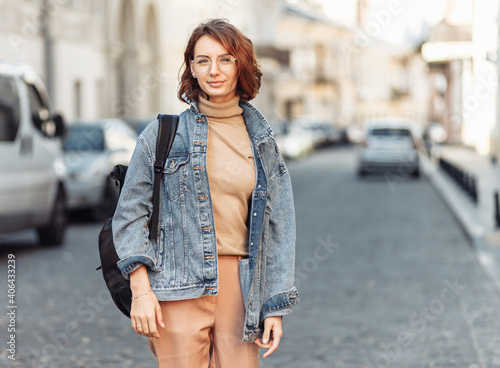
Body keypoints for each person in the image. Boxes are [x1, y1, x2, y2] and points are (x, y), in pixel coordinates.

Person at [113, 18, 299, 368]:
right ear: (192, 68)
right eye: (203, 60)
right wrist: (141, 291)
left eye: (225, 59)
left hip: (240, 288)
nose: (214, 70)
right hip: (176, 283)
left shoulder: (262, 141)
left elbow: (280, 225)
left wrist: (274, 305)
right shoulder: (162, 134)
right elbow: (130, 214)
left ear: (240, 65)